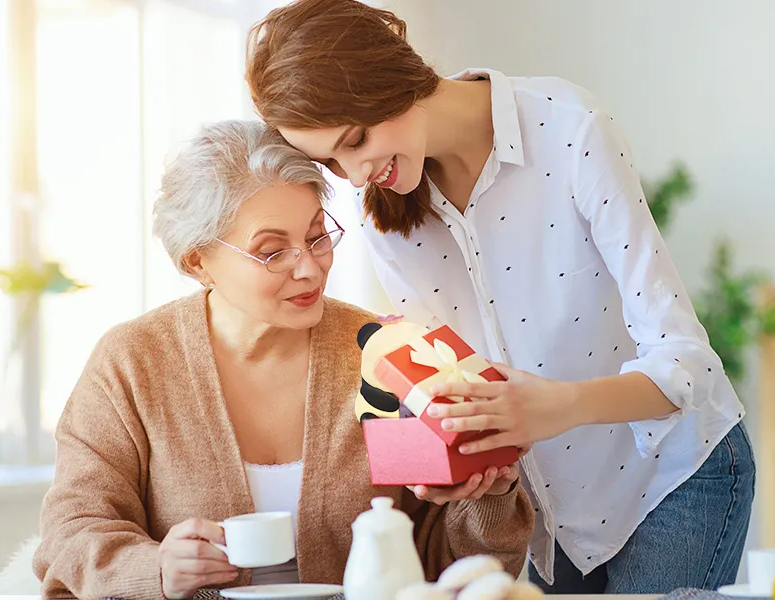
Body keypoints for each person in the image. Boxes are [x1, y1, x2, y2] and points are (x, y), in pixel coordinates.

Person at [245, 0, 755, 595]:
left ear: (391, 75)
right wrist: (461, 458)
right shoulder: (386, 219)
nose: (356, 173)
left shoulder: (569, 131)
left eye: (356, 140)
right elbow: (457, 381)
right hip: (557, 519)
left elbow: (687, 362)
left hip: (671, 477)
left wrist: (559, 406)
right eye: (331, 162)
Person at [31, 120, 533, 600]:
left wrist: (487, 492)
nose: (309, 268)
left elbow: (446, 566)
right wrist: (156, 566)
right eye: (273, 251)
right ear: (198, 261)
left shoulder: (384, 351)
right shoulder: (133, 362)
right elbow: (72, 530)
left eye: (317, 237)